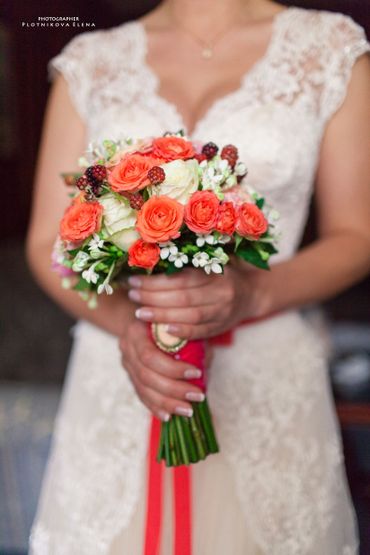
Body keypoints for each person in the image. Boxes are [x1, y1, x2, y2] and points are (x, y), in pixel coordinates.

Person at [26, 0, 370, 553]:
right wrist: (127, 325)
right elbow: (46, 241)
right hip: (118, 373)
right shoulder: (90, 61)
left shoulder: (330, 48)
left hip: (266, 365)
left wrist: (253, 292)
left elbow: (357, 234)